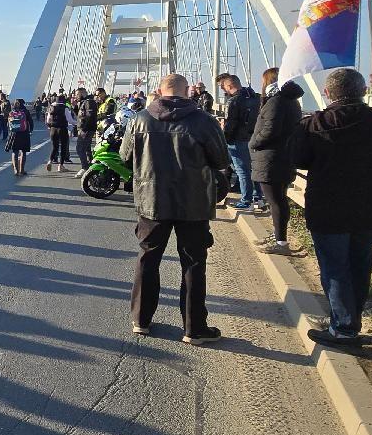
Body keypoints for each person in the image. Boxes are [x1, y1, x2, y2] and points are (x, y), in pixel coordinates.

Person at [290, 71, 372, 347]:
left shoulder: (312, 124)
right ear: (363, 91)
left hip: (329, 206)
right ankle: (350, 320)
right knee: (360, 264)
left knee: (335, 267)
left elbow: (299, 159)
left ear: (328, 94)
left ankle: (344, 328)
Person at [120, 74, 231, 345]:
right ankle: (194, 328)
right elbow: (220, 159)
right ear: (188, 92)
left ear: (159, 91)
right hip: (193, 202)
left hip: (152, 200)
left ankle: (141, 320)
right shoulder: (204, 121)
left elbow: (125, 157)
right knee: (193, 262)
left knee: (148, 258)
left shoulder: (140, 119)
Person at [250, 72, 305, 256]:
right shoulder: (291, 101)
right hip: (283, 157)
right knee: (279, 199)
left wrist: (254, 142)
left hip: (271, 159)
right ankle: (278, 236)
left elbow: (270, 130)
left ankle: (281, 242)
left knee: (276, 201)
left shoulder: (276, 101)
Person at [218, 74, 265, 212]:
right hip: (253, 138)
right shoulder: (256, 97)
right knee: (253, 169)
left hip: (237, 139)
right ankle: (258, 197)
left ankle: (246, 200)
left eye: (224, 87)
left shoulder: (233, 101)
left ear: (229, 86)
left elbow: (231, 124)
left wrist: (224, 137)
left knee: (241, 170)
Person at [72, 88, 97, 177]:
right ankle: (92, 166)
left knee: (80, 148)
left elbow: (90, 117)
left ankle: (85, 167)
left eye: (77, 94)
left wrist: (85, 130)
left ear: (83, 93)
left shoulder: (89, 102)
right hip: (84, 129)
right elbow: (79, 115)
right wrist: (75, 107)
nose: (76, 96)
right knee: (86, 148)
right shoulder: (84, 102)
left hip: (86, 130)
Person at [6, 99, 33, 176]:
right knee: (23, 152)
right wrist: (31, 130)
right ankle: (22, 170)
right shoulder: (25, 112)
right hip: (24, 133)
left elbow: (8, 125)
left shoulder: (11, 113)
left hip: (14, 134)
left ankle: (15, 169)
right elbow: (30, 121)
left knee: (15, 151)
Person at [46, 93, 71, 172]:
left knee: (55, 147)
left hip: (53, 129)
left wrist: (50, 126)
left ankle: (50, 161)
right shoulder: (65, 108)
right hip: (62, 129)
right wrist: (77, 122)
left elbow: (48, 120)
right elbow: (70, 120)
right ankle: (61, 166)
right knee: (63, 147)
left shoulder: (51, 108)